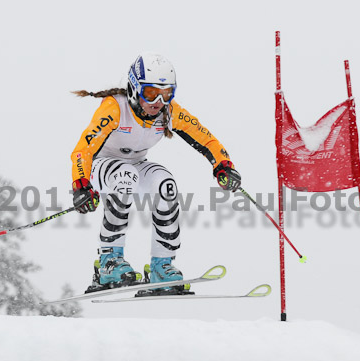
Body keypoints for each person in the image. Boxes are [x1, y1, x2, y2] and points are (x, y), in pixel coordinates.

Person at [70, 52, 241, 295]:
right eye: (151, 93)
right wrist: (81, 184)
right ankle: (109, 261)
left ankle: (161, 265)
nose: (158, 101)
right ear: (134, 87)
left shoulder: (169, 112)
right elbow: (83, 150)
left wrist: (223, 165)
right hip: (101, 167)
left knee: (165, 184)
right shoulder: (114, 108)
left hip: (135, 166)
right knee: (125, 175)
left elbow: (206, 139)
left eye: (167, 93)